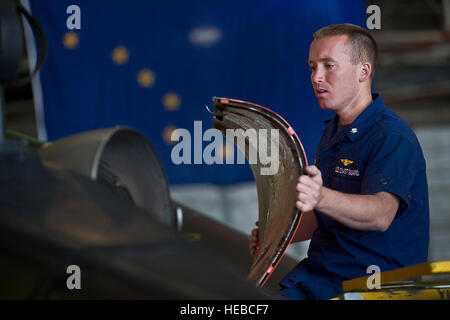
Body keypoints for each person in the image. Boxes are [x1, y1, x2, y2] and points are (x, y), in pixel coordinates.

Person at [249, 23, 429, 300]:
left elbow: (381, 214)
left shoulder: (391, 137)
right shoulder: (333, 132)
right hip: (322, 280)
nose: (316, 77)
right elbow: (324, 215)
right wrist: (273, 237)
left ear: (363, 71)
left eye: (329, 66)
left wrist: (320, 196)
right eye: (312, 67)